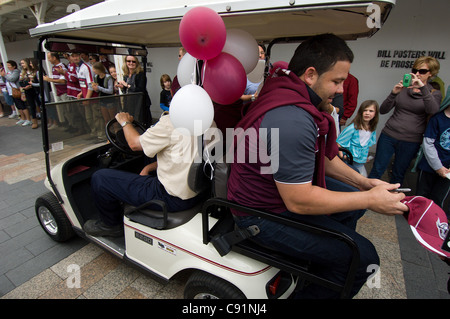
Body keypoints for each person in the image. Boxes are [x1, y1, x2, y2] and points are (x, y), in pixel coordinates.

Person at [227, 33, 408, 299]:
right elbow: (299, 201)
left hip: (270, 191)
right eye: (336, 81)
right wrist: (369, 199)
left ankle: (324, 267)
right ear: (310, 75)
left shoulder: (283, 89)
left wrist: (363, 184)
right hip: (257, 214)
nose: (340, 90)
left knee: (351, 205)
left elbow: (319, 157)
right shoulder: (293, 119)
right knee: (363, 257)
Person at [83, 111, 211, 237]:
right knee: (150, 158)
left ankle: (111, 225)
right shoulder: (209, 121)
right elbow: (187, 156)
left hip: (169, 197)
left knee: (100, 178)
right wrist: (149, 167)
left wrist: (125, 122)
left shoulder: (171, 122)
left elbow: (134, 144)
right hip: (197, 192)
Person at [368, 56, 442, 185]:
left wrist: (423, 88)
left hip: (410, 140)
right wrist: (393, 93)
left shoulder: (434, 93)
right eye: (415, 70)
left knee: (398, 173)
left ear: (431, 73)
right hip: (389, 135)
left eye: (422, 71)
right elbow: (383, 110)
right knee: (377, 169)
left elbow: (433, 111)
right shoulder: (404, 88)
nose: (417, 74)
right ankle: (363, 200)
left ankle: (392, 202)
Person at [416, 99, 450, 218]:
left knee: (438, 199)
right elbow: (428, 143)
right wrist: (438, 167)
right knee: (421, 197)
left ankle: (432, 224)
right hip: (429, 167)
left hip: (448, 172)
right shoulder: (437, 119)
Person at [336, 100, 379, 177]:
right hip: (350, 161)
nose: (367, 113)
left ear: (375, 114)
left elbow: (366, 144)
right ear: (361, 112)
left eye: (371, 111)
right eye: (365, 110)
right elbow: (338, 143)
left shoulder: (372, 129)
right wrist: (342, 156)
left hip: (360, 161)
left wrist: (365, 156)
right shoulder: (352, 128)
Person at [117, 55, 152, 126]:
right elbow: (125, 90)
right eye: (128, 61)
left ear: (137, 63)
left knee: (141, 122)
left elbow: (141, 89)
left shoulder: (141, 74)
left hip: (140, 103)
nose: (131, 63)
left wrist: (127, 85)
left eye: (133, 61)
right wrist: (122, 87)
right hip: (129, 102)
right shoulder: (126, 75)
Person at [1, 60, 32, 126]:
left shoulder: (16, 71)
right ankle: (22, 118)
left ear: (14, 66)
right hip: (11, 91)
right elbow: (6, 80)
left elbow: (12, 79)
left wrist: (5, 75)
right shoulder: (9, 72)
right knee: (18, 106)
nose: (8, 67)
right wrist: (3, 76)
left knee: (22, 105)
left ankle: (28, 119)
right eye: (7, 65)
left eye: (9, 65)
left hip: (17, 90)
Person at [19, 58, 40, 129]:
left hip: (35, 90)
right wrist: (25, 87)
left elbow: (36, 81)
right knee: (32, 106)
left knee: (40, 104)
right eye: (21, 64)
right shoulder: (23, 72)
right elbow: (20, 82)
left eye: (23, 63)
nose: (22, 65)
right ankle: (34, 121)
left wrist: (31, 85)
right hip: (27, 91)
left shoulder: (34, 71)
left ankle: (46, 119)